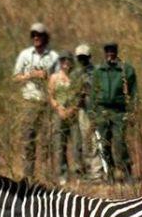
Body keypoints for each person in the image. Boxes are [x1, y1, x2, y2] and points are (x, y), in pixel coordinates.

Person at [12, 23, 60, 179]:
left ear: (45, 37)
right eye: (33, 35)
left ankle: (47, 175)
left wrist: (47, 76)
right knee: (28, 139)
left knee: (47, 140)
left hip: (47, 102)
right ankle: (28, 176)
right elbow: (15, 77)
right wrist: (30, 75)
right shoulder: (25, 55)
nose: (36, 38)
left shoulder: (53, 57)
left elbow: (61, 79)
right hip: (30, 102)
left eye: (39, 35)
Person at [89, 42, 137, 182]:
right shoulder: (99, 71)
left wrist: (132, 111)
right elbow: (94, 92)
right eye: (107, 51)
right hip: (102, 111)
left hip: (119, 111)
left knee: (120, 143)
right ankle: (109, 173)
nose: (110, 54)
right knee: (104, 144)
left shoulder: (125, 70)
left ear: (116, 52)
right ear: (104, 53)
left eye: (112, 51)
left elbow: (134, 92)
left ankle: (127, 172)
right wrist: (92, 113)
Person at [47, 54, 83, 184]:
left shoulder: (76, 78)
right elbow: (51, 96)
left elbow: (80, 96)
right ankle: (63, 174)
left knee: (77, 144)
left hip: (73, 113)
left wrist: (73, 109)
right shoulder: (54, 77)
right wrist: (58, 108)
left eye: (68, 60)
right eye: (63, 60)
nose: (66, 63)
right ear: (60, 62)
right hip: (59, 114)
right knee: (60, 145)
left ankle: (79, 174)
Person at [72, 44, 104, 181]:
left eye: (84, 57)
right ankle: (89, 173)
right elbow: (72, 93)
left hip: (96, 110)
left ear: (89, 57)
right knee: (85, 142)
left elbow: (101, 90)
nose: (82, 60)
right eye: (80, 58)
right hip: (82, 111)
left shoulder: (97, 71)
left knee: (96, 140)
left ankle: (97, 173)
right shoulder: (75, 74)